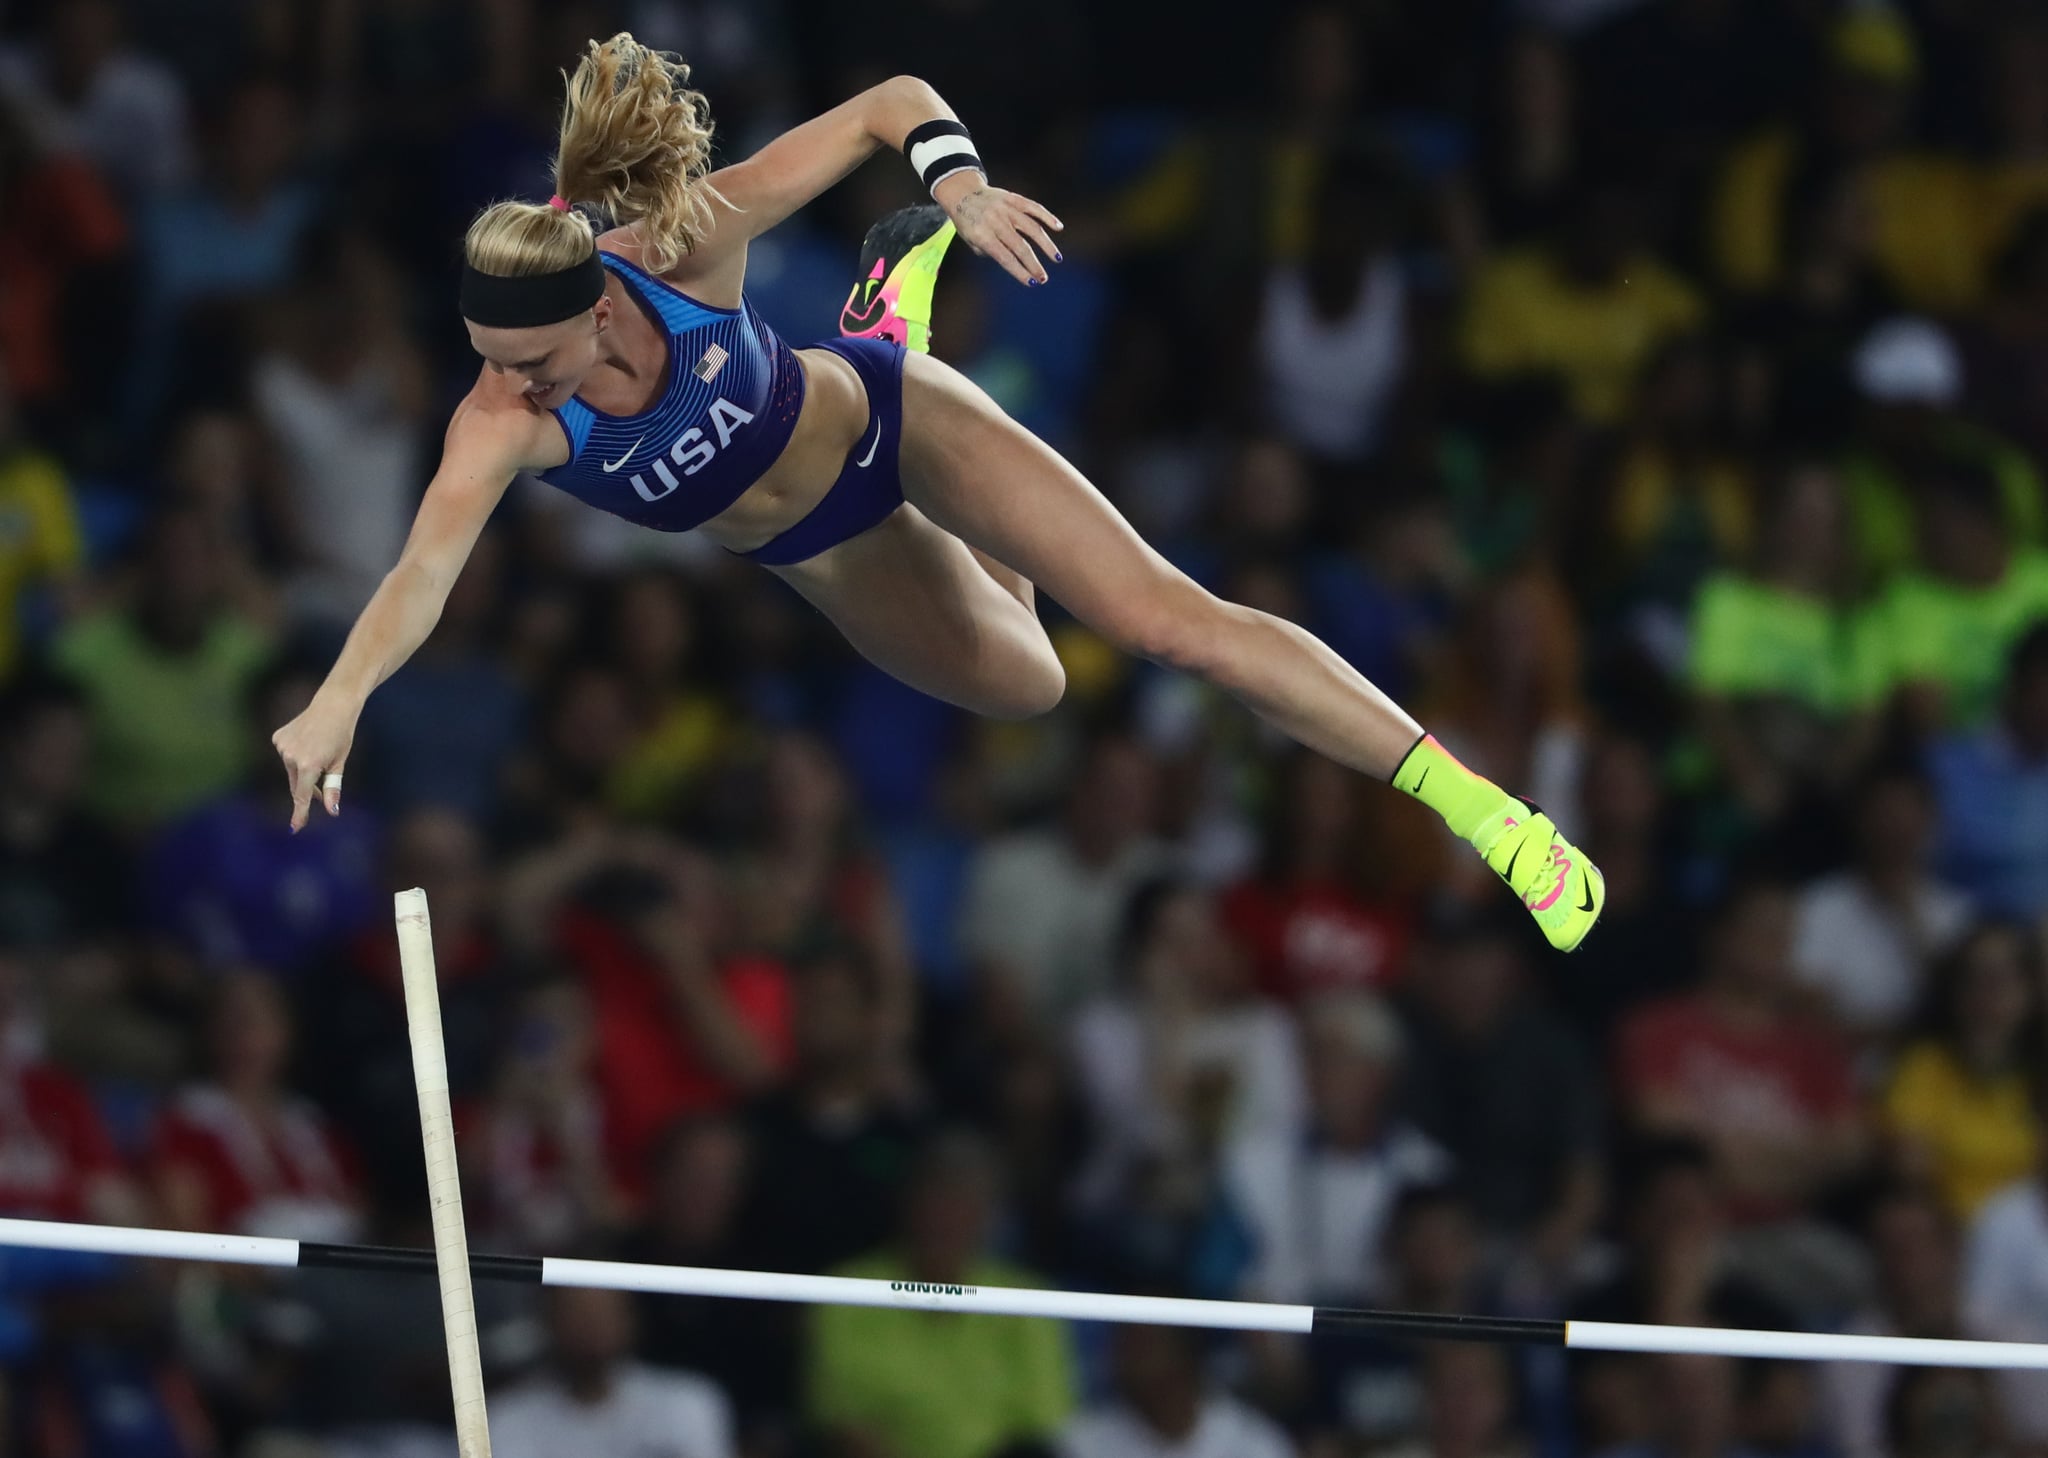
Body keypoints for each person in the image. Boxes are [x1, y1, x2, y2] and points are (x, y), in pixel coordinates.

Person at [270, 32, 1604, 953]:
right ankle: (891, 319)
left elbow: (882, 102)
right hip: (825, 552)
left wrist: (954, 188)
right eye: (490, 362)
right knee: (1033, 684)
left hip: (896, 430)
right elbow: (419, 573)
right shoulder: (499, 419)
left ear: (586, 296)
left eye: (526, 357)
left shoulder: (680, 247)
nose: (505, 384)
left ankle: (1486, 811)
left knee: (1167, 623)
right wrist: (337, 700)